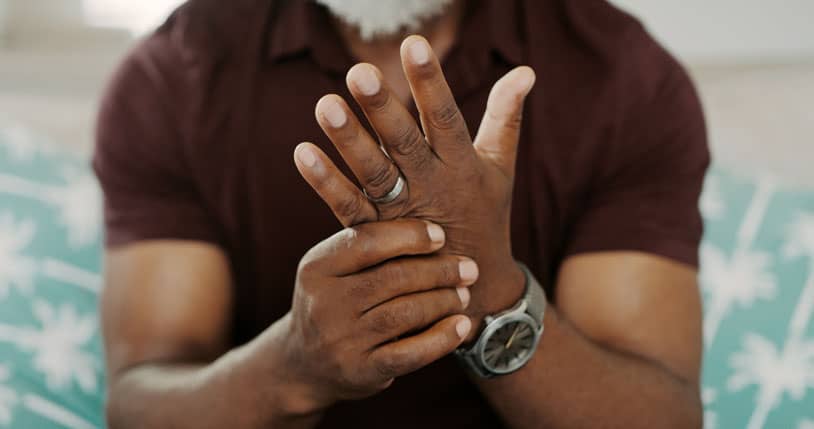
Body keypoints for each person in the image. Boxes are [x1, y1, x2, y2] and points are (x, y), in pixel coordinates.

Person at [94, 0, 709, 427]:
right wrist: (292, 366)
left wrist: (491, 291)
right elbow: (141, 402)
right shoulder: (173, 77)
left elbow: (659, 416)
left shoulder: (622, 78)